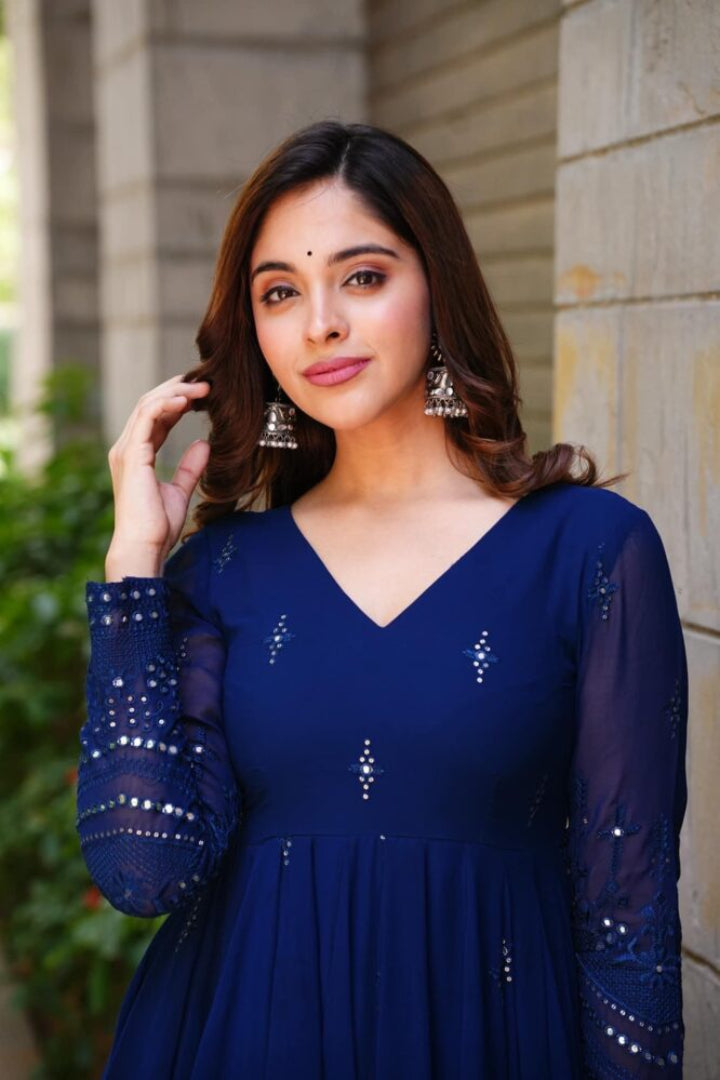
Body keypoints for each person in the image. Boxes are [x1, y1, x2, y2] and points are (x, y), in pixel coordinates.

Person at [77, 120, 688, 1078]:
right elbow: (142, 870)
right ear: (258, 333)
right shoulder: (219, 571)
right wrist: (134, 572)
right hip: (240, 1040)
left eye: (362, 277)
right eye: (281, 292)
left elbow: (631, 919)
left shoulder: (591, 553)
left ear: (436, 286)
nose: (320, 322)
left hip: (489, 1041)